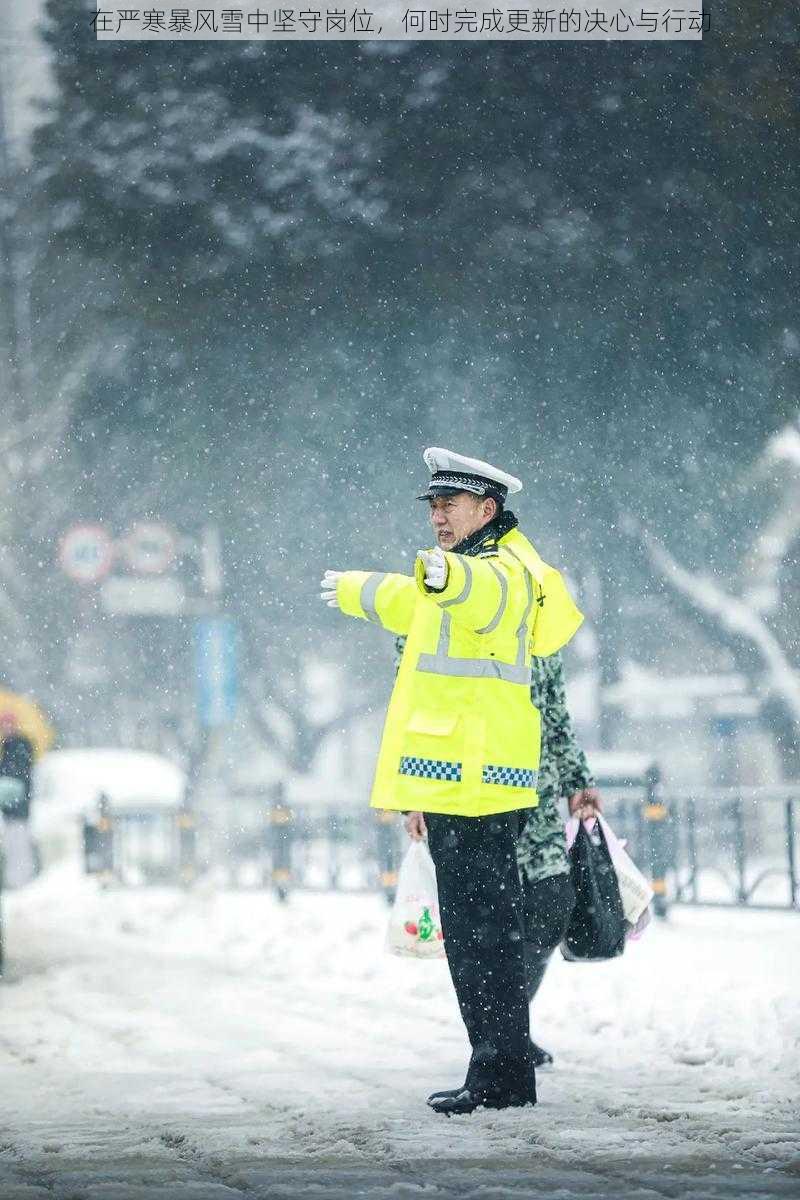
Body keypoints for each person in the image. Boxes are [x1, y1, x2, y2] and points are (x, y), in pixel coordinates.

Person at [320, 447, 583, 1115]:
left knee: (486, 938)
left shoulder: (504, 572)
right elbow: (415, 601)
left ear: (487, 510)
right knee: (473, 940)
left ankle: (501, 1076)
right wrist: (360, 589)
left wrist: (448, 580)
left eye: (450, 504)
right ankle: (496, 1069)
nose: (437, 515)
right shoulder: (458, 574)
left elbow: (482, 598)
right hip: (457, 784)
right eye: (432, 504)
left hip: (480, 785)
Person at [403, 646, 601, 1070]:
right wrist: (414, 798)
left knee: (552, 902)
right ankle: (500, 1042)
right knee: (489, 922)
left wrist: (578, 782)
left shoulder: (539, 625)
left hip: (540, 793)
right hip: (477, 795)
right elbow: (416, 709)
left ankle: (505, 1031)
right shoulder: (444, 613)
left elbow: (556, 714)